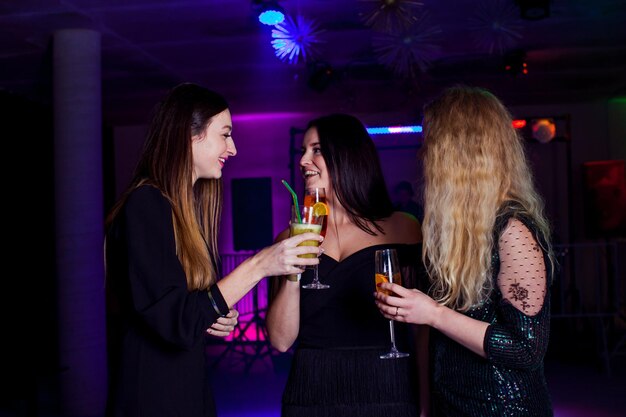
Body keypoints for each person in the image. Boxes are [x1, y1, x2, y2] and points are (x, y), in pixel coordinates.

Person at [104, 82, 322, 417]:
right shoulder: (146, 203)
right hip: (151, 396)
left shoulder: (186, 208)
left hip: (186, 389)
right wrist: (260, 264)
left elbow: (181, 311)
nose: (232, 148)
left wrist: (211, 314)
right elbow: (174, 321)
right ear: (189, 136)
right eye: (225, 134)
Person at [375, 85, 556, 416]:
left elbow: (526, 349)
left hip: (503, 409)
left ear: (458, 153)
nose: (421, 154)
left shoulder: (513, 230)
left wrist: (433, 313)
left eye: (429, 144)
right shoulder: (457, 231)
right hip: (452, 404)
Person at [266, 113, 428, 417]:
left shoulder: (403, 228)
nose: (303, 161)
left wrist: (425, 400)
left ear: (347, 156)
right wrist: (292, 273)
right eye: (303, 151)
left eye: (315, 150)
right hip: (311, 391)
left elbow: (421, 330)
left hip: (387, 386)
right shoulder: (289, 236)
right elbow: (280, 340)